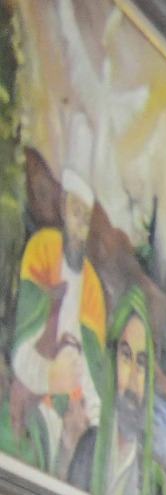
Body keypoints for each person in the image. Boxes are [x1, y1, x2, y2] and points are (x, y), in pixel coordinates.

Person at [11, 171, 106, 476]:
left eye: (86, 218)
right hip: (37, 399)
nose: (80, 224)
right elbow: (22, 348)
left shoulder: (91, 285)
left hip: (76, 415)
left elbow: (93, 369)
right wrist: (50, 376)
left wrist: (93, 420)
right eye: (76, 212)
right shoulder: (42, 249)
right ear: (64, 208)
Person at [67, 290, 166, 495]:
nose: (134, 376)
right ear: (113, 362)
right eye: (126, 356)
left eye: (142, 362)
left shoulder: (154, 484)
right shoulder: (88, 450)